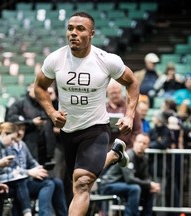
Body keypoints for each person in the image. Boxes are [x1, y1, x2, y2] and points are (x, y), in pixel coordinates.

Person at [33, 11, 139, 215]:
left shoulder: (106, 60)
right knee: (79, 182)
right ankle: (115, 154)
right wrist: (51, 112)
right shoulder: (55, 59)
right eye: (70, 28)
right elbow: (39, 87)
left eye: (80, 29)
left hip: (96, 128)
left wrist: (129, 115)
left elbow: (132, 83)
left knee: (82, 182)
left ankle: (113, 153)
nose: (73, 33)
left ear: (91, 33)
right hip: (69, 131)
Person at [7, 115, 68, 216]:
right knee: (49, 184)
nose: (20, 132)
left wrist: (39, 169)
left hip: (26, 179)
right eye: (17, 129)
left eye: (22, 129)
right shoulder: (7, 145)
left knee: (57, 182)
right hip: (18, 183)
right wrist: (29, 172)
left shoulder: (22, 145)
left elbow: (31, 161)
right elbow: (10, 169)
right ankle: (44, 214)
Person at [99, 133, 161, 216]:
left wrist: (151, 186)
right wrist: (149, 184)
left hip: (124, 185)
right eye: (139, 142)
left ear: (147, 146)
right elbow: (130, 179)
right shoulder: (128, 156)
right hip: (108, 184)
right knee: (135, 188)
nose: (141, 145)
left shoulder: (144, 158)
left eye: (144, 143)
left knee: (148, 190)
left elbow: (146, 177)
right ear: (134, 142)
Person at [0, 122, 32, 216]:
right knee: (19, 183)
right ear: (4, 133)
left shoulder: (3, 148)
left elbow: (5, 169)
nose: (13, 142)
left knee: (19, 185)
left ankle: (26, 213)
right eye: (12, 139)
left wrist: (14, 174)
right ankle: (27, 213)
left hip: (0, 179)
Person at [6, 83, 56, 164]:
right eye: (35, 88)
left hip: (45, 149)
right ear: (29, 88)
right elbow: (11, 119)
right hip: (28, 145)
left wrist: (53, 99)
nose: (37, 91)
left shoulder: (45, 103)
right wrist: (31, 122)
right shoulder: (20, 103)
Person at [106, 79, 142, 148]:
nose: (115, 95)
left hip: (126, 147)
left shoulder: (130, 108)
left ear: (121, 92)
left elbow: (137, 130)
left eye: (117, 92)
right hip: (106, 147)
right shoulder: (103, 108)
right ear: (107, 93)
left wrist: (132, 144)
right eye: (112, 93)